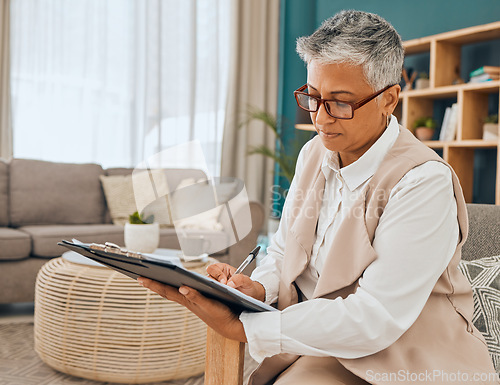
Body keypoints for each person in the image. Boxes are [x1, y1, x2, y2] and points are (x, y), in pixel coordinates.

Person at [138, 10, 498, 385]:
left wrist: (250, 328)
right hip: (325, 343)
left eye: (340, 103)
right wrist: (259, 288)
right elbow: (283, 253)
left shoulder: (423, 184)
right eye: (312, 97)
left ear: (389, 99)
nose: (321, 119)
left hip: (407, 360)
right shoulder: (315, 154)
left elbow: (375, 318)